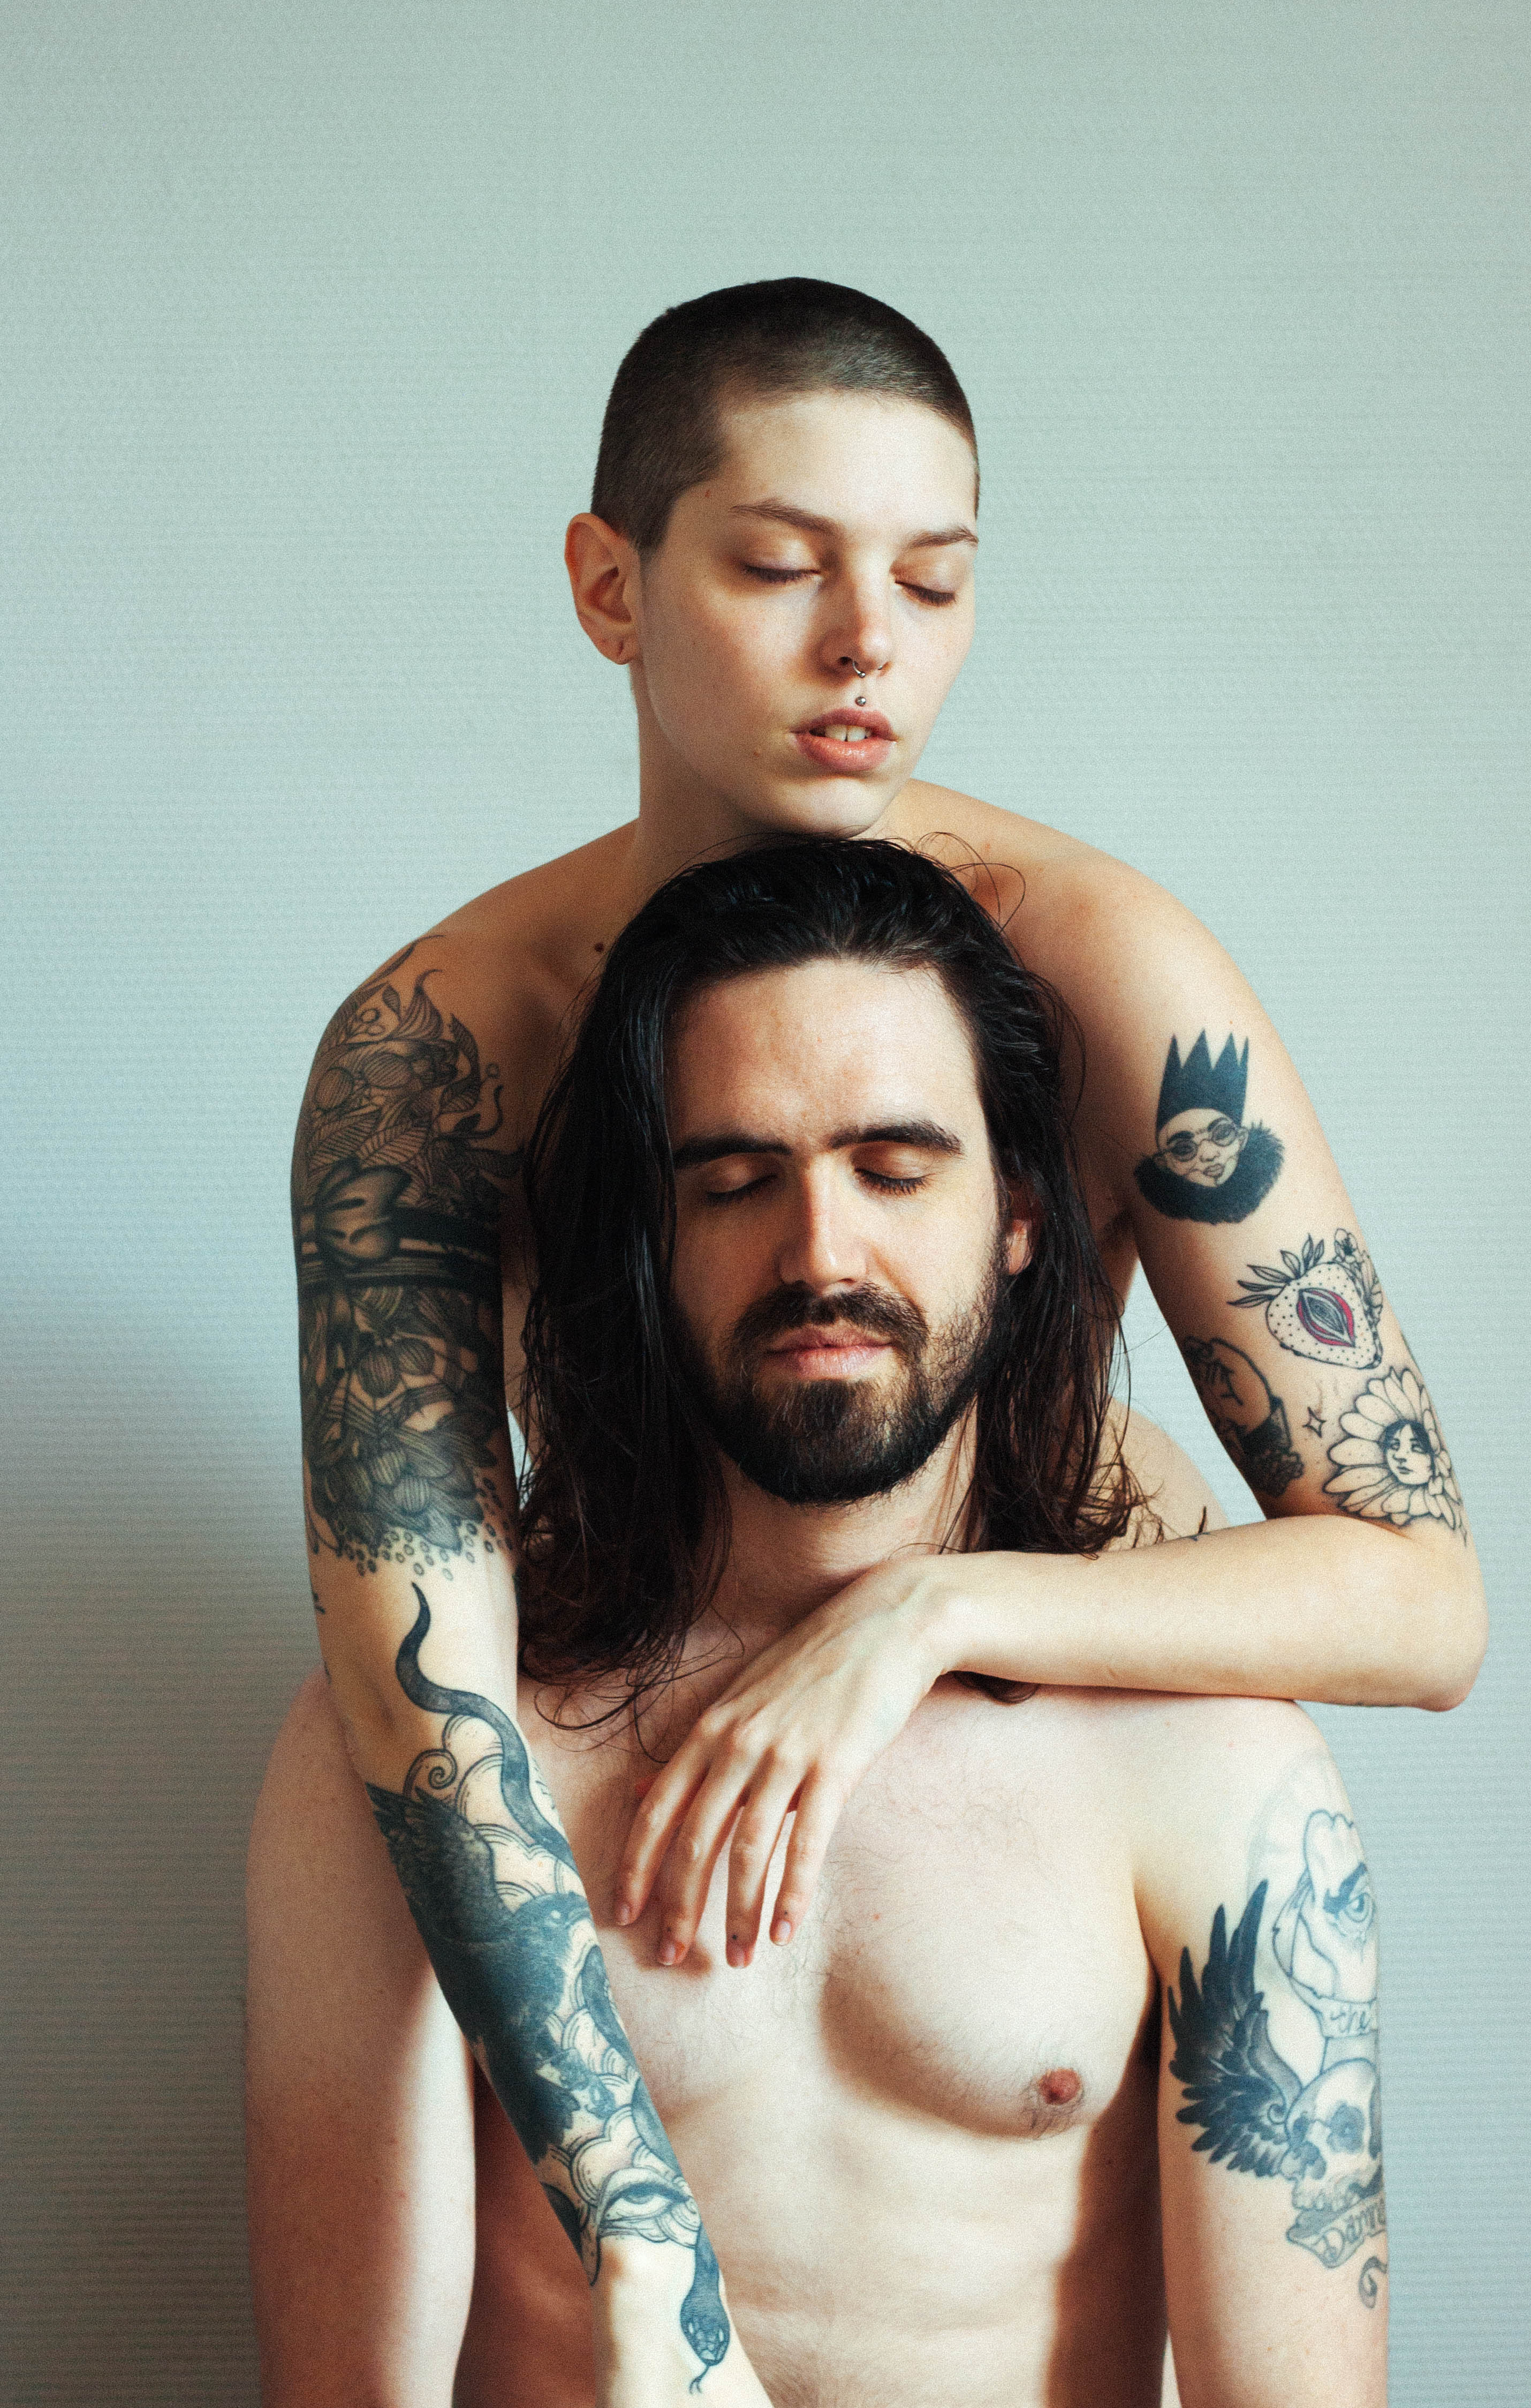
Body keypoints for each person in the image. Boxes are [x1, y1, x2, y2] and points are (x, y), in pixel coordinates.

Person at [281, 279, 1477, 2394]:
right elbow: (418, 1672)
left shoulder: (1094, 967)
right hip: (637, 1729)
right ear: (610, 587)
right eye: (780, 566)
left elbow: (1418, 1593)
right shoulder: (451, 1046)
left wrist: (921, 1620)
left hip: (1058, 1766)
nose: (869, 651)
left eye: (933, 583)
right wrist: (644, 2240)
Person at [250, 841, 1389, 2404]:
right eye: (733, 1182)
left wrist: (932, 1616)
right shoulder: (412, 1764)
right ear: (646, 1236)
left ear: (1021, 1212)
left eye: (897, 1170)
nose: (821, 1256)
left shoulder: (1212, 1767)